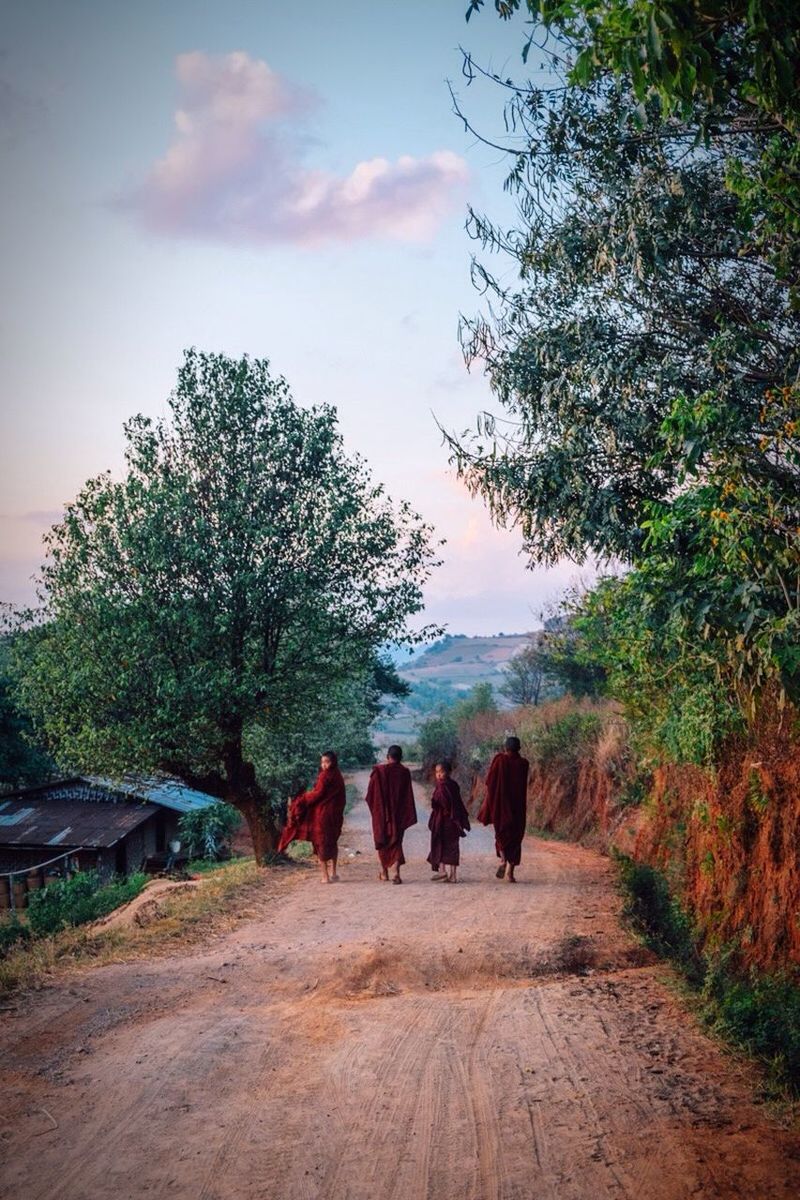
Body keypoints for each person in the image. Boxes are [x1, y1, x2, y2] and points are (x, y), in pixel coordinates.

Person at [277, 750, 347, 884]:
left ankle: (325, 876)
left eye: (327, 762)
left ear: (333, 762)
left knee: (320, 842)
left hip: (323, 815)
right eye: (322, 762)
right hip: (335, 815)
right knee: (332, 841)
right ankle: (334, 873)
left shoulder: (324, 776)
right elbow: (341, 797)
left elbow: (318, 793)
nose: (324, 765)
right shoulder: (338, 775)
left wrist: (302, 799)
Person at [477, 735, 530, 882]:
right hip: (517, 808)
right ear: (519, 748)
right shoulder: (524, 763)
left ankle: (503, 859)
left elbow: (490, 782)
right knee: (515, 839)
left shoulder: (500, 760)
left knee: (501, 835)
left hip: (501, 806)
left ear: (505, 748)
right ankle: (510, 874)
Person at [365, 745, 417, 884]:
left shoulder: (379, 772)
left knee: (382, 841)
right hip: (398, 815)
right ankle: (396, 873)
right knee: (396, 842)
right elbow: (407, 797)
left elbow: (370, 796)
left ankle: (384, 872)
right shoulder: (404, 772)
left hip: (381, 814)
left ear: (388, 757)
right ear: (401, 758)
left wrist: (378, 811)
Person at [427, 760, 470, 883]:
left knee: (441, 845)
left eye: (441, 772)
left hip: (445, 820)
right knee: (452, 847)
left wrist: (436, 804)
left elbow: (443, 803)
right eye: (437, 772)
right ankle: (452, 875)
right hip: (453, 821)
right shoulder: (453, 784)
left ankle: (444, 872)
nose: (439, 775)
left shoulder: (442, 786)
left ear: (448, 772)